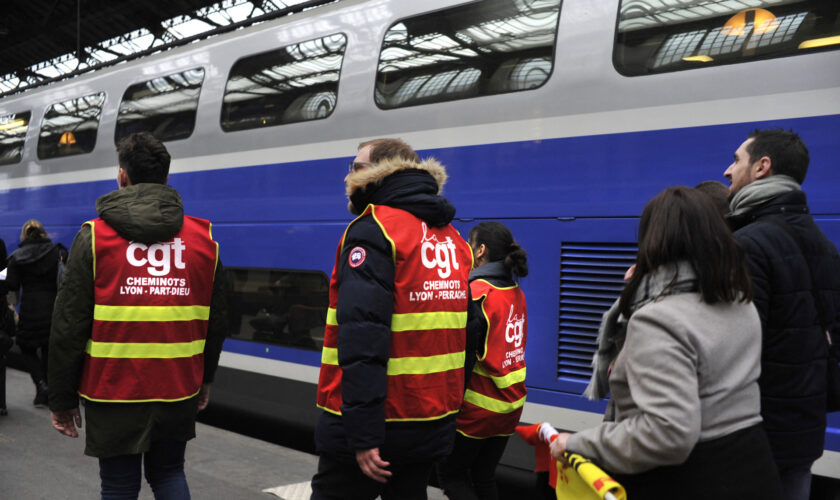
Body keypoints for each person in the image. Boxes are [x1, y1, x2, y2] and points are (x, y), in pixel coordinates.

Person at [548, 186, 781, 500]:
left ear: (654, 239)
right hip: (753, 467)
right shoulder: (740, 300)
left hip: (690, 481)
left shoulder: (658, 319)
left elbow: (667, 434)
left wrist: (576, 443)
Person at [48, 132, 228, 499]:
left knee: (118, 485)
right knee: (168, 474)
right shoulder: (203, 240)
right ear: (166, 179)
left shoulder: (94, 238)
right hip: (178, 387)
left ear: (122, 177)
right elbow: (218, 319)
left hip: (113, 390)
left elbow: (68, 325)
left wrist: (62, 399)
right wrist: (205, 378)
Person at [311, 138, 481, 500]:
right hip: (430, 420)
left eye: (356, 167)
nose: (348, 175)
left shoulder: (375, 229)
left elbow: (362, 339)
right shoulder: (453, 240)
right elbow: (463, 336)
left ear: (379, 171)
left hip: (380, 422)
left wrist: (362, 434)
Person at [724, 129, 840, 500]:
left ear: (762, 167)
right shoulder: (825, 245)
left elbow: (738, 349)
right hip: (805, 428)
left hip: (755, 433)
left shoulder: (748, 243)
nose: (728, 170)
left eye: (737, 159)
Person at [436, 221, 528, 500]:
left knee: (451, 475)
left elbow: (462, 358)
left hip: (478, 408)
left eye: (469, 243)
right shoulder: (515, 292)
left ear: (480, 251)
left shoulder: (477, 293)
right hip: (511, 405)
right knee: (483, 476)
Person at [4, 219, 64, 407]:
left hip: (30, 308)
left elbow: (12, 285)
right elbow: (63, 280)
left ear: (24, 235)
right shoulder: (55, 252)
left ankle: (41, 385)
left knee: (26, 347)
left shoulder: (17, 257)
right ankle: (46, 392)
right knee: (47, 349)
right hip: (52, 307)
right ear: (44, 234)